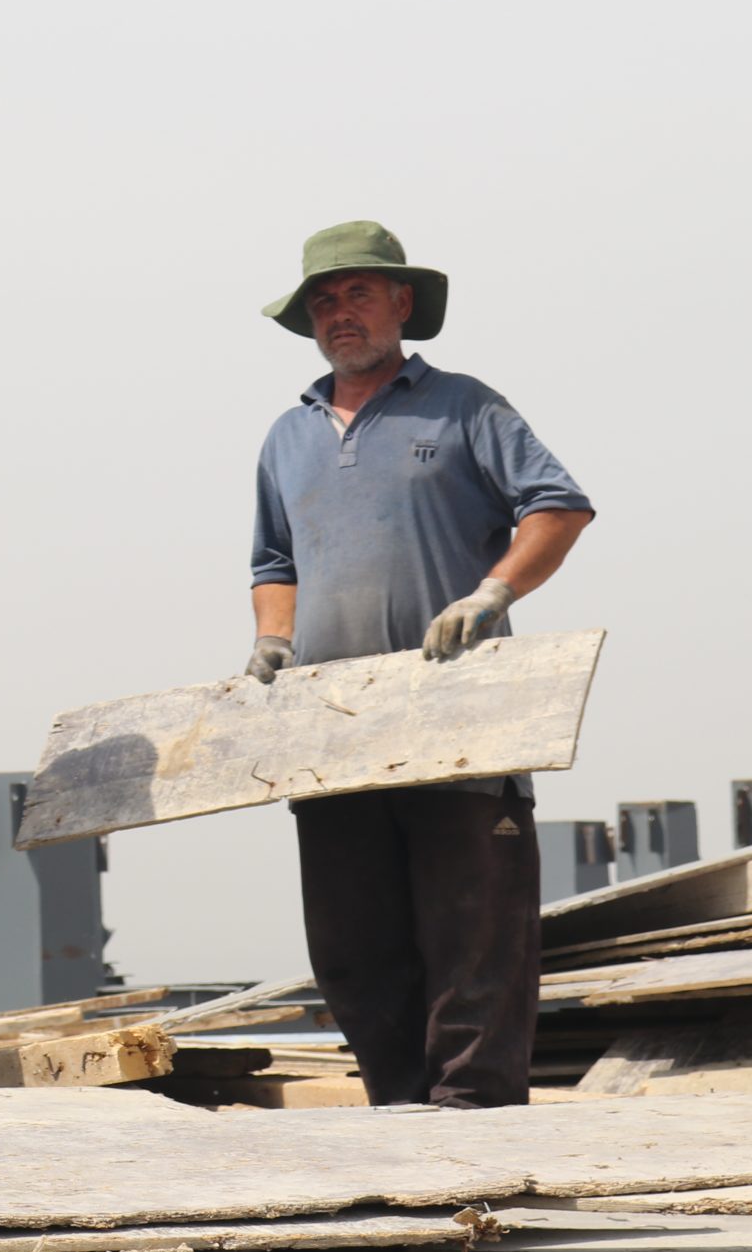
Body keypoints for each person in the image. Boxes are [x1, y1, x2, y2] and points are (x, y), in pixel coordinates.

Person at [245, 221, 594, 1109]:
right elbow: (274, 561)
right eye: (324, 300)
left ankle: (474, 1127)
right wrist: (274, 637)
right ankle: (399, 1121)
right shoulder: (287, 436)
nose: (339, 313)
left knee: (474, 944)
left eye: (358, 293)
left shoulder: (465, 406)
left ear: (402, 303)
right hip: (333, 737)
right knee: (353, 950)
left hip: (462, 724)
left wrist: (493, 593)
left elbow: (557, 506)